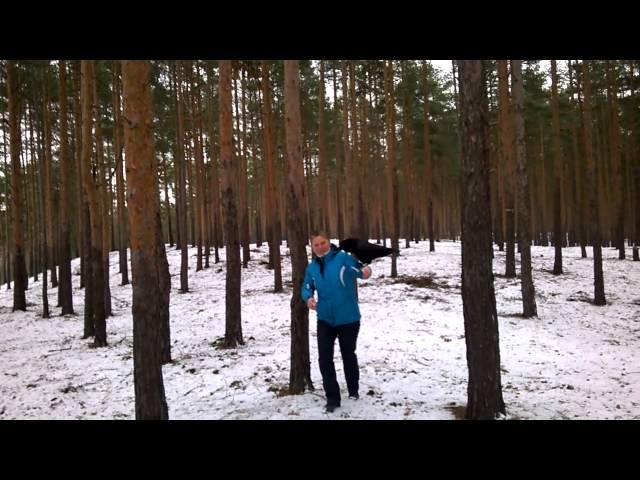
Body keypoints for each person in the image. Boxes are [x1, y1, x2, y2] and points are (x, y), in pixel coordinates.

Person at [301, 231, 372, 413]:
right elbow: (307, 286)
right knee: (324, 359)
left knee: (348, 354)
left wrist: (366, 272)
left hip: (349, 317)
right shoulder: (312, 267)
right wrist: (308, 298)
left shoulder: (342, 258)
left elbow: (361, 269)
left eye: (322, 243)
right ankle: (332, 398)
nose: (320, 247)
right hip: (325, 319)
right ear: (312, 247)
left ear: (328, 242)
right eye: (316, 245)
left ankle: (353, 389)